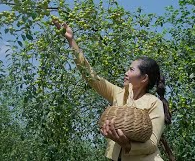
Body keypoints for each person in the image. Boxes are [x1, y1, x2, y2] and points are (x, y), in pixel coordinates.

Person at [53, 21, 172, 161]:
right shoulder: (119, 94)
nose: (126, 73)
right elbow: (91, 76)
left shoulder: (154, 103)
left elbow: (152, 144)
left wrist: (127, 144)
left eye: (131, 70)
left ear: (144, 78)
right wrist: (71, 40)